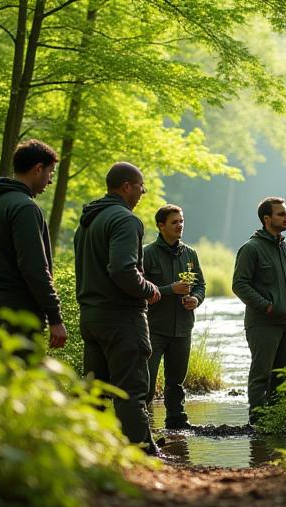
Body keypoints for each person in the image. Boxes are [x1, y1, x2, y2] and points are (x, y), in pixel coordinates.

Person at [74, 162, 162, 456]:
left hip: (91, 317)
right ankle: (142, 453)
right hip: (122, 318)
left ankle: (90, 450)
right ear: (127, 186)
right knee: (131, 389)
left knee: (95, 390)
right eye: (140, 186)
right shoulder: (125, 220)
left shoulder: (87, 221)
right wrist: (149, 289)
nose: (143, 192)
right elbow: (123, 271)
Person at [0, 139, 67, 357]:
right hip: (20, 310)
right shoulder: (25, 207)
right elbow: (34, 267)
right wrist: (55, 317)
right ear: (38, 169)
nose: (50, 181)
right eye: (50, 173)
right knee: (22, 377)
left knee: (2, 377)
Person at [232, 196, 286, 423]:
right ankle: (258, 421)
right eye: (281, 214)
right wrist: (266, 306)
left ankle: (280, 420)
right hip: (263, 322)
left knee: (284, 375)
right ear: (266, 218)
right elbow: (239, 285)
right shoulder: (251, 248)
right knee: (261, 375)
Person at [142, 204, 206, 430]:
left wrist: (196, 299)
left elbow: (200, 285)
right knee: (146, 380)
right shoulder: (146, 253)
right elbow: (140, 288)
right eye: (174, 222)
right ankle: (142, 424)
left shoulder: (190, 254)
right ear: (161, 226)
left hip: (183, 328)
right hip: (154, 328)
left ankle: (176, 421)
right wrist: (170, 289)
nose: (180, 226)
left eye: (181, 221)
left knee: (176, 381)